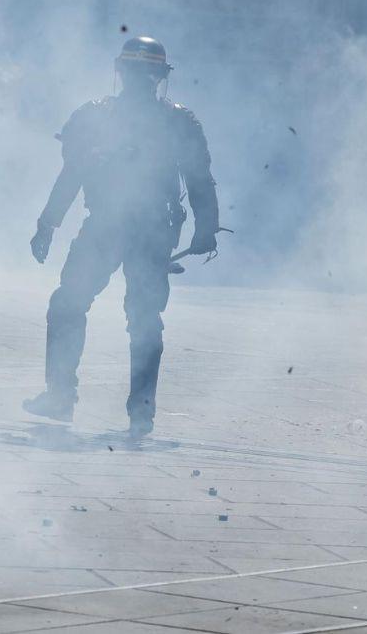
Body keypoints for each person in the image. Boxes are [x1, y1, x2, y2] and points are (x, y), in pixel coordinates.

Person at [24, 36, 221, 438]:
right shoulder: (177, 121)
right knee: (140, 318)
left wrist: (48, 224)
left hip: (116, 227)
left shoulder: (97, 117)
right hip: (146, 230)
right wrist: (205, 229)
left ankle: (64, 396)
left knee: (72, 305)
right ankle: (139, 412)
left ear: (121, 72)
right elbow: (200, 180)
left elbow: (72, 176)